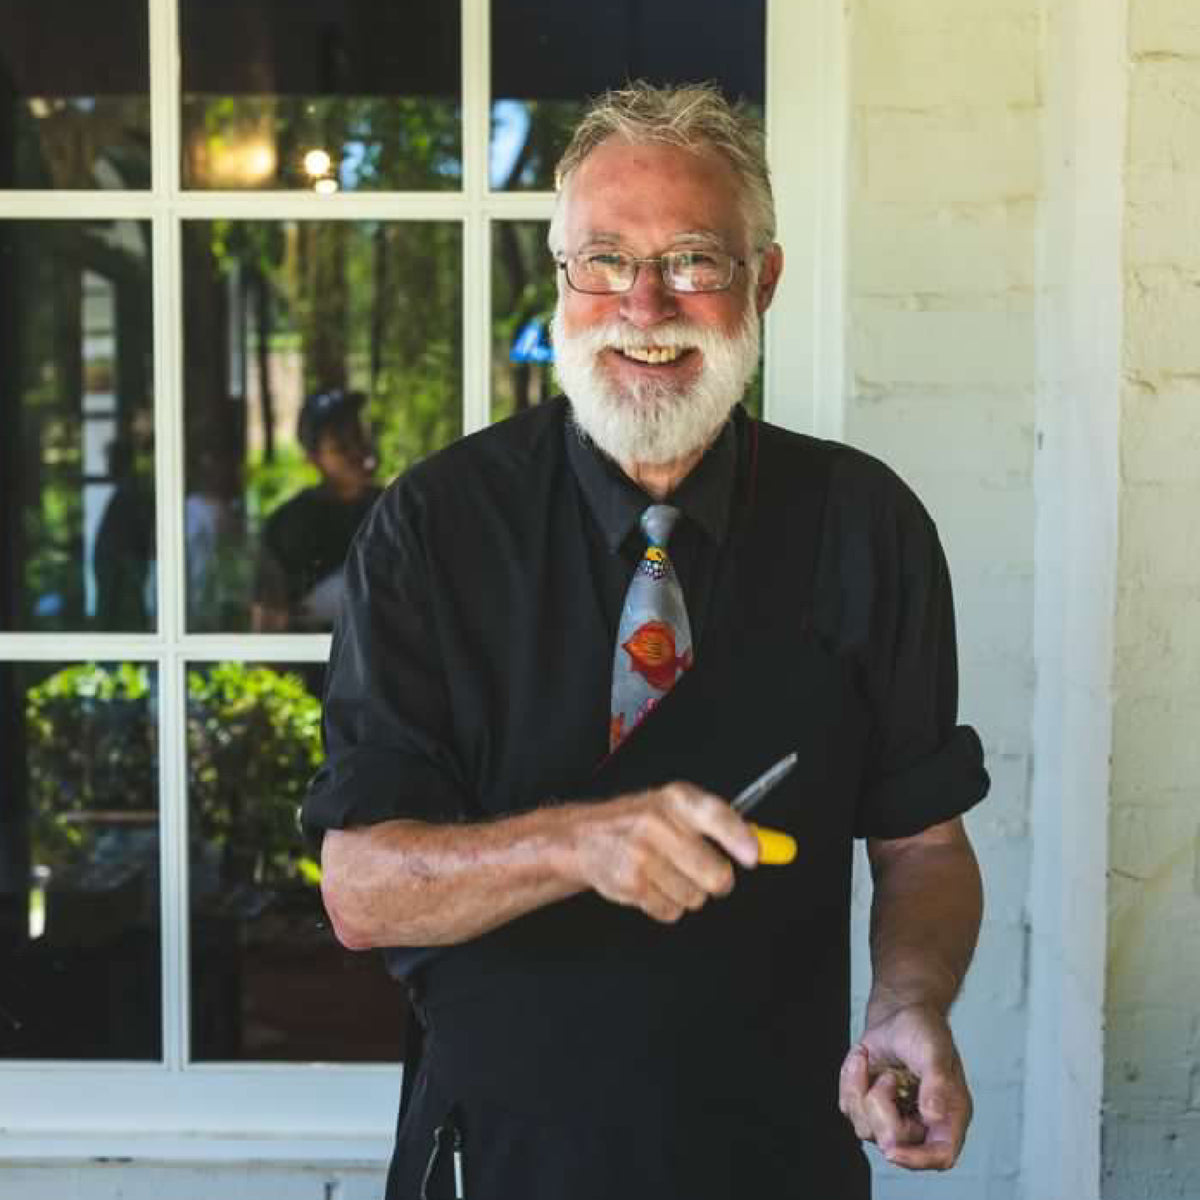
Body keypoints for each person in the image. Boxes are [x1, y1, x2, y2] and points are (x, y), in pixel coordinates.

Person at [304, 82, 989, 1199]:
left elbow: (922, 846)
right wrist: (580, 844)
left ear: (762, 279)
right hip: (500, 1159)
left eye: (695, 262)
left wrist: (909, 1005)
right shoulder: (433, 528)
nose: (644, 306)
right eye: (606, 261)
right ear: (562, 277)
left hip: (780, 1158)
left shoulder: (867, 525)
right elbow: (359, 890)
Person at [252, 389, 381, 632]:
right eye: (341, 446)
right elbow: (269, 624)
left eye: (359, 437)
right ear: (313, 459)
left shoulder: (394, 509)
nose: (358, 452)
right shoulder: (288, 524)